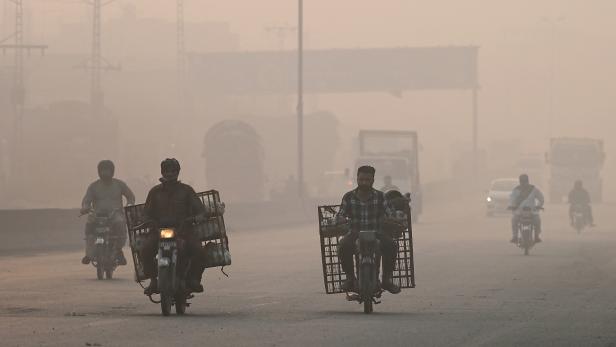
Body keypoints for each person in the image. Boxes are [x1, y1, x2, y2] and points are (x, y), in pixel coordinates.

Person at [140, 158, 207, 295]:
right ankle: (153, 280)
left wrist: (195, 218)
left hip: (184, 231)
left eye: (173, 171)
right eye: (166, 171)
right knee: (145, 250)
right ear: (162, 172)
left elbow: (201, 211)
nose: (169, 174)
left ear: (177, 173)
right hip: (159, 231)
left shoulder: (187, 190)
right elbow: (146, 213)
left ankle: (193, 279)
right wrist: (149, 221)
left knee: (199, 251)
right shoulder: (155, 192)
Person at [337, 166, 401, 294]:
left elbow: (391, 212)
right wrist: (340, 219)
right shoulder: (348, 197)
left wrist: (395, 218)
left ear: (373, 180)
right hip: (354, 233)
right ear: (357, 179)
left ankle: (386, 280)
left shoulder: (381, 196)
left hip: (377, 233)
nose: (364, 182)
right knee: (343, 245)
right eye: (361, 179)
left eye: (367, 179)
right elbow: (341, 214)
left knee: (392, 246)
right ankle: (350, 278)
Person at [80, 160, 135, 265]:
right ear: (99, 172)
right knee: (89, 228)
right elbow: (87, 200)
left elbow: (130, 196)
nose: (105, 173)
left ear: (112, 171)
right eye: (103, 171)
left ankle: (118, 250)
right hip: (97, 215)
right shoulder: (93, 186)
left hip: (115, 214)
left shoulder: (119, 184)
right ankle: (89, 254)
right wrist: (85, 207)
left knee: (120, 224)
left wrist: (130, 204)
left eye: (107, 171)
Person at [509, 174, 545, 243]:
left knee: (537, 220)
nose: (523, 183)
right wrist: (512, 206)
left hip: (532, 211)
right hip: (519, 211)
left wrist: (539, 205)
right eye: (522, 181)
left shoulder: (533, 189)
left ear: (528, 181)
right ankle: (515, 236)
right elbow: (512, 199)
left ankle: (537, 236)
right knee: (514, 220)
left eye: (525, 181)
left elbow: (541, 198)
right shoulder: (516, 190)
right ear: (520, 182)